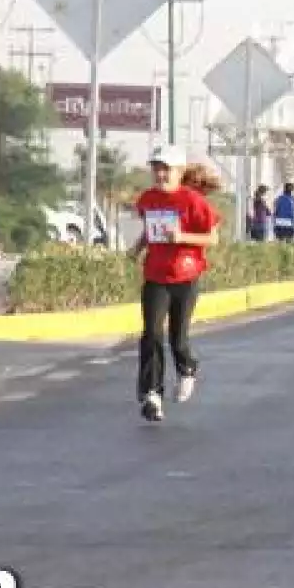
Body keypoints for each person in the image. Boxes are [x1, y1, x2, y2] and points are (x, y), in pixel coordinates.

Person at [130, 145, 220, 423]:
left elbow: (212, 239)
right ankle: (152, 394)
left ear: (180, 172)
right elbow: (150, 229)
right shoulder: (147, 199)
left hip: (186, 276)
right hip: (156, 275)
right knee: (151, 334)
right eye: (157, 167)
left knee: (177, 338)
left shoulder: (193, 201)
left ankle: (187, 368)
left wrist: (181, 237)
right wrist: (137, 248)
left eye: (166, 168)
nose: (160, 173)